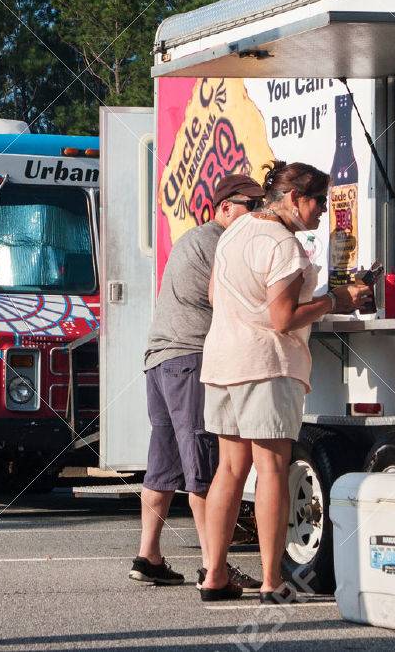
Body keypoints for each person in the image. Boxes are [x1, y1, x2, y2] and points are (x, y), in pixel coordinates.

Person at [198, 161, 371, 603]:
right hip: (266, 366)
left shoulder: (235, 230)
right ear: (294, 198)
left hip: (222, 362)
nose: (323, 212)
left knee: (229, 469)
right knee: (272, 469)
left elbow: (215, 295)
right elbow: (283, 319)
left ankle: (214, 574)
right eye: (318, 201)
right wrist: (336, 299)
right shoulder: (284, 244)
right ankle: (272, 581)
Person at [130, 173, 265, 591]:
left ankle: (149, 556)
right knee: (203, 465)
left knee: (164, 462)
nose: (258, 214)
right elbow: (230, 296)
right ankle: (213, 567)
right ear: (225, 207)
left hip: (160, 360)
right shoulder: (220, 242)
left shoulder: (193, 239)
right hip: (190, 358)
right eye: (252, 206)